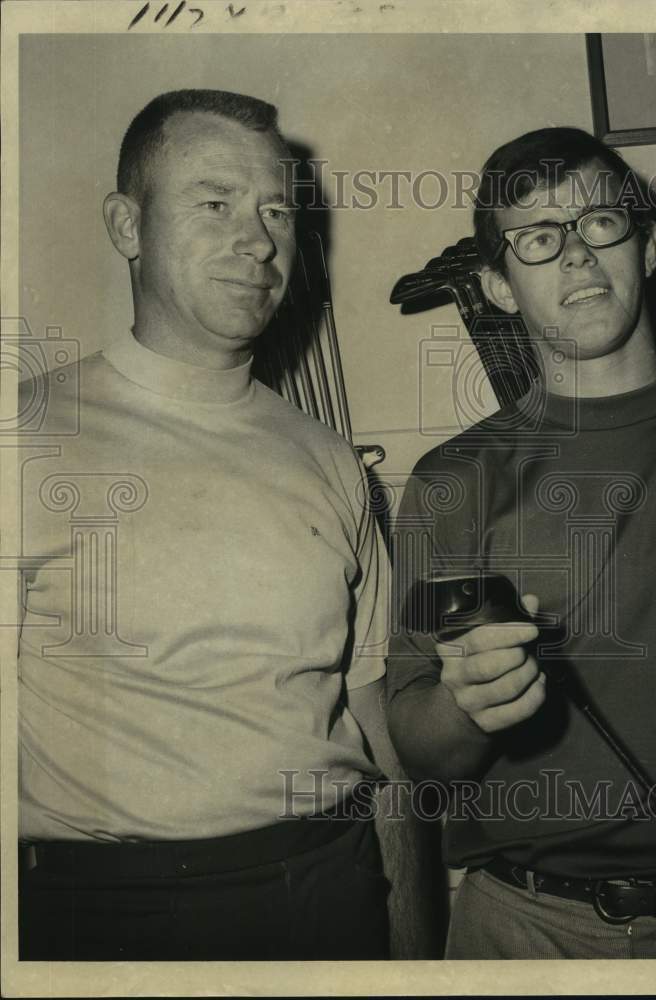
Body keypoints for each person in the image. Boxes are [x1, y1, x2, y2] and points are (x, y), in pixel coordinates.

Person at [17, 89, 425, 961]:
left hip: (331, 890)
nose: (260, 240)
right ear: (127, 225)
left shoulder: (331, 461)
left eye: (276, 208)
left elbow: (376, 732)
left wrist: (415, 945)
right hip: (106, 919)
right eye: (215, 203)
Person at [386, 127, 656, 959]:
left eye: (599, 224)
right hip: (520, 931)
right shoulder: (451, 481)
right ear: (498, 285)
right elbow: (421, 747)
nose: (576, 258)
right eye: (538, 237)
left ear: (648, 242)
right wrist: (465, 706)